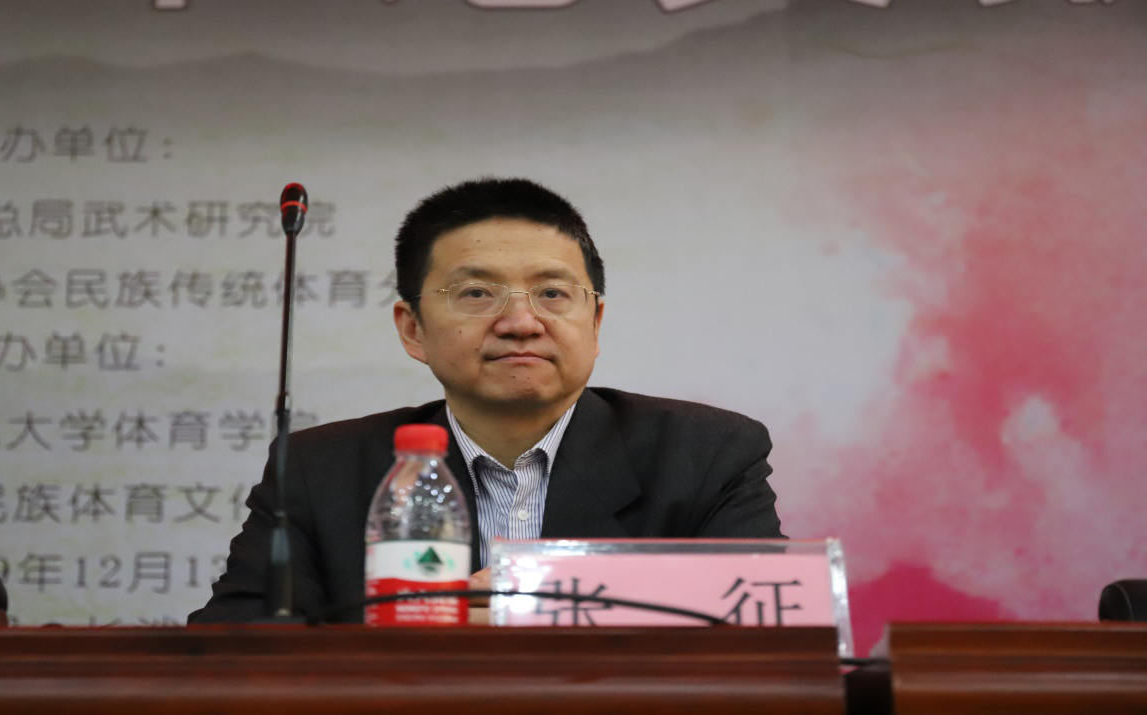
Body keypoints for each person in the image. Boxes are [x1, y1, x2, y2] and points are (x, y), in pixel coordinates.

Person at [188, 177, 783, 623]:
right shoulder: (319, 471)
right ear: (413, 329)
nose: (521, 323)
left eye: (553, 293)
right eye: (476, 293)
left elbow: (764, 631)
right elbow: (235, 657)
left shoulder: (705, 455)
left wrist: (530, 609)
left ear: (595, 321)